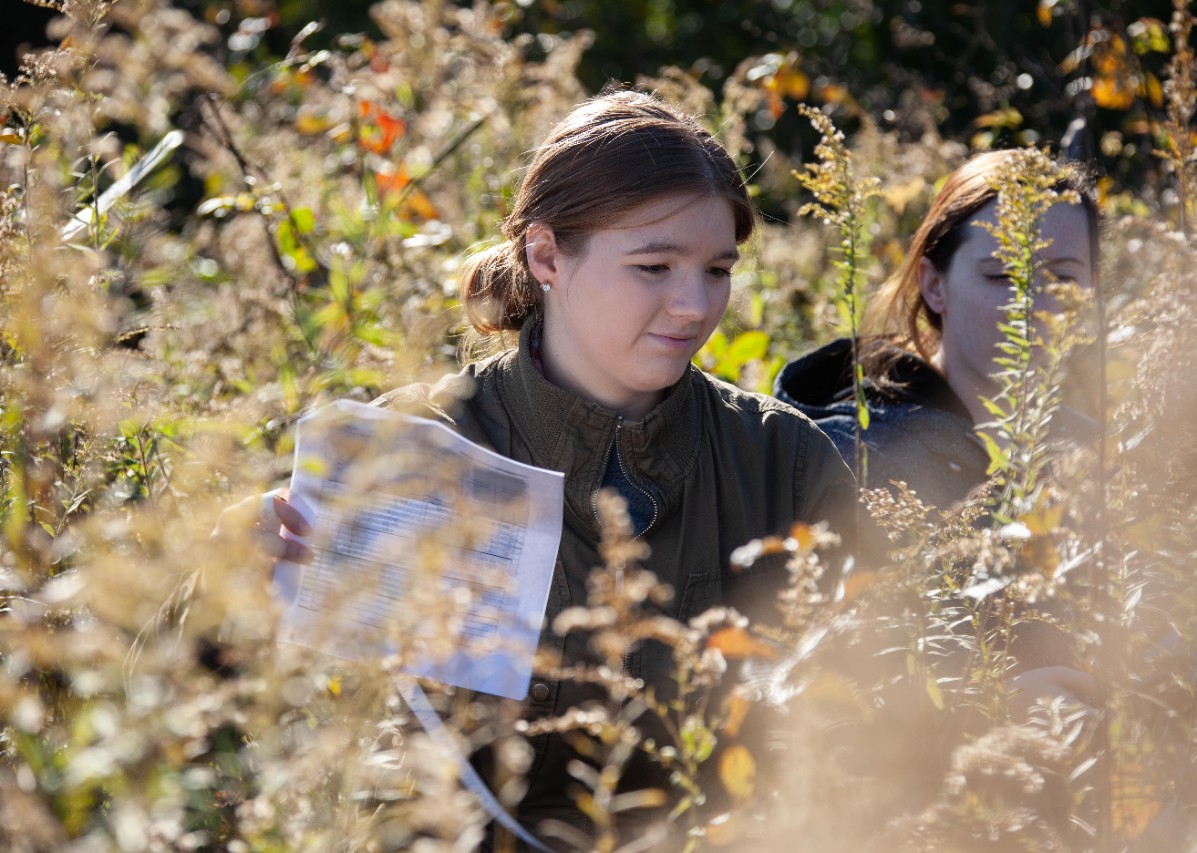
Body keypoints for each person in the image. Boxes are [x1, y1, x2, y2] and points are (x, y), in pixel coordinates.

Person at [238, 89, 860, 849]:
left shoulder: (781, 460)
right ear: (545, 255)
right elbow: (245, 707)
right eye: (654, 265)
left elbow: (876, 696)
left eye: (717, 269)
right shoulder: (421, 442)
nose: (694, 305)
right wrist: (233, 570)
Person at [773, 149, 1102, 719]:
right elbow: (819, 679)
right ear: (934, 285)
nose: (1031, 304)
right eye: (1001, 274)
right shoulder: (856, 456)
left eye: (1062, 277)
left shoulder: (1097, 453)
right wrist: (989, 707)